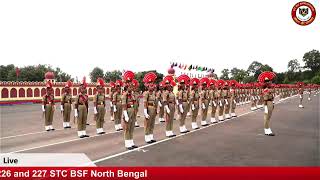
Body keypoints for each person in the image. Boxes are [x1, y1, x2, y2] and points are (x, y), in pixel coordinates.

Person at [122, 71, 138, 150]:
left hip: (132, 111)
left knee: (132, 128)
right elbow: (124, 105)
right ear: (126, 87)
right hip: (127, 111)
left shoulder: (132, 95)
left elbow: (134, 103)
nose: (131, 87)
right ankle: (127, 143)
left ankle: (131, 142)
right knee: (127, 128)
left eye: (131, 86)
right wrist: (125, 115)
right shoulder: (125, 95)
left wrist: (135, 112)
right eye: (130, 87)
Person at [258, 71, 276, 136]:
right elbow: (265, 99)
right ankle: (267, 130)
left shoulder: (269, 88)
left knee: (269, 117)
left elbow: (272, 96)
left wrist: (273, 103)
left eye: (269, 80)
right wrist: (265, 107)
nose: (269, 82)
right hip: (267, 103)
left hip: (270, 102)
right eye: (267, 81)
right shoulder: (265, 89)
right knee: (266, 117)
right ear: (265, 82)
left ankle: (267, 129)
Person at [142, 72, 158, 143]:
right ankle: (146, 137)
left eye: (152, 84)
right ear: (147, 86)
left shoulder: (154, 93)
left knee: (152, 123)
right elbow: (145, 103)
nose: (152, 86)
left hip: (153, 109)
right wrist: (145, 112)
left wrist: (156, 110)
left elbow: (156, 102)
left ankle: (151, 136)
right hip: (148, 108)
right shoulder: (146, 93)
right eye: (150, 85)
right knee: (147, 124)